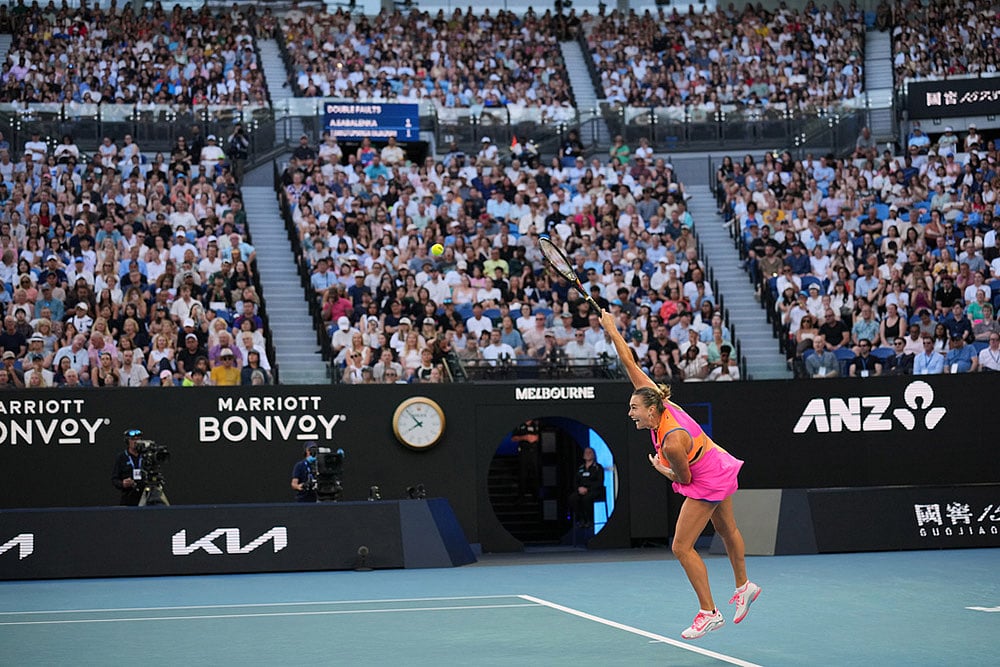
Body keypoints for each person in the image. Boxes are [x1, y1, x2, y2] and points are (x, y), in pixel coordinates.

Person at [599, 310, 760, 640]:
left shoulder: (672, 441)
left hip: (706, 476)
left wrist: (664, 470)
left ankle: (709, 612)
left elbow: (685, 481)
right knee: (727, 527)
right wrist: (612, 329)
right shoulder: (652, 396)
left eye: (634, 409)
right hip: (718, 459)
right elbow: (629, 362)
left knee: (681, 547)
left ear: (651, 410)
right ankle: (744, 586)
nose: (630, 413)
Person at [568, 446, 605, 528]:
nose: (587, 454)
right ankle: (581, 519)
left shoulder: (598, 468)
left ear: (593, 455)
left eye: (589, 452)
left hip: (594, 491)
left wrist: (588, 489)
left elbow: (599, 482)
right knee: (573, 498)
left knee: (586, 499)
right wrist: (579, 488)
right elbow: (576, 481)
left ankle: (589, 520)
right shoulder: (580, 468)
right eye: (586, 453)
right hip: (581, 490)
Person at [111, 428, 145, 506]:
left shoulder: (146, 456)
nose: (136, 442)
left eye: (138, 439)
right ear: (127, 441)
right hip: (128, 496)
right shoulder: (121, 457)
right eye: (132, 439)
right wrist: (123, 483)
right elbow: (114, 479)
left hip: (145, 495)